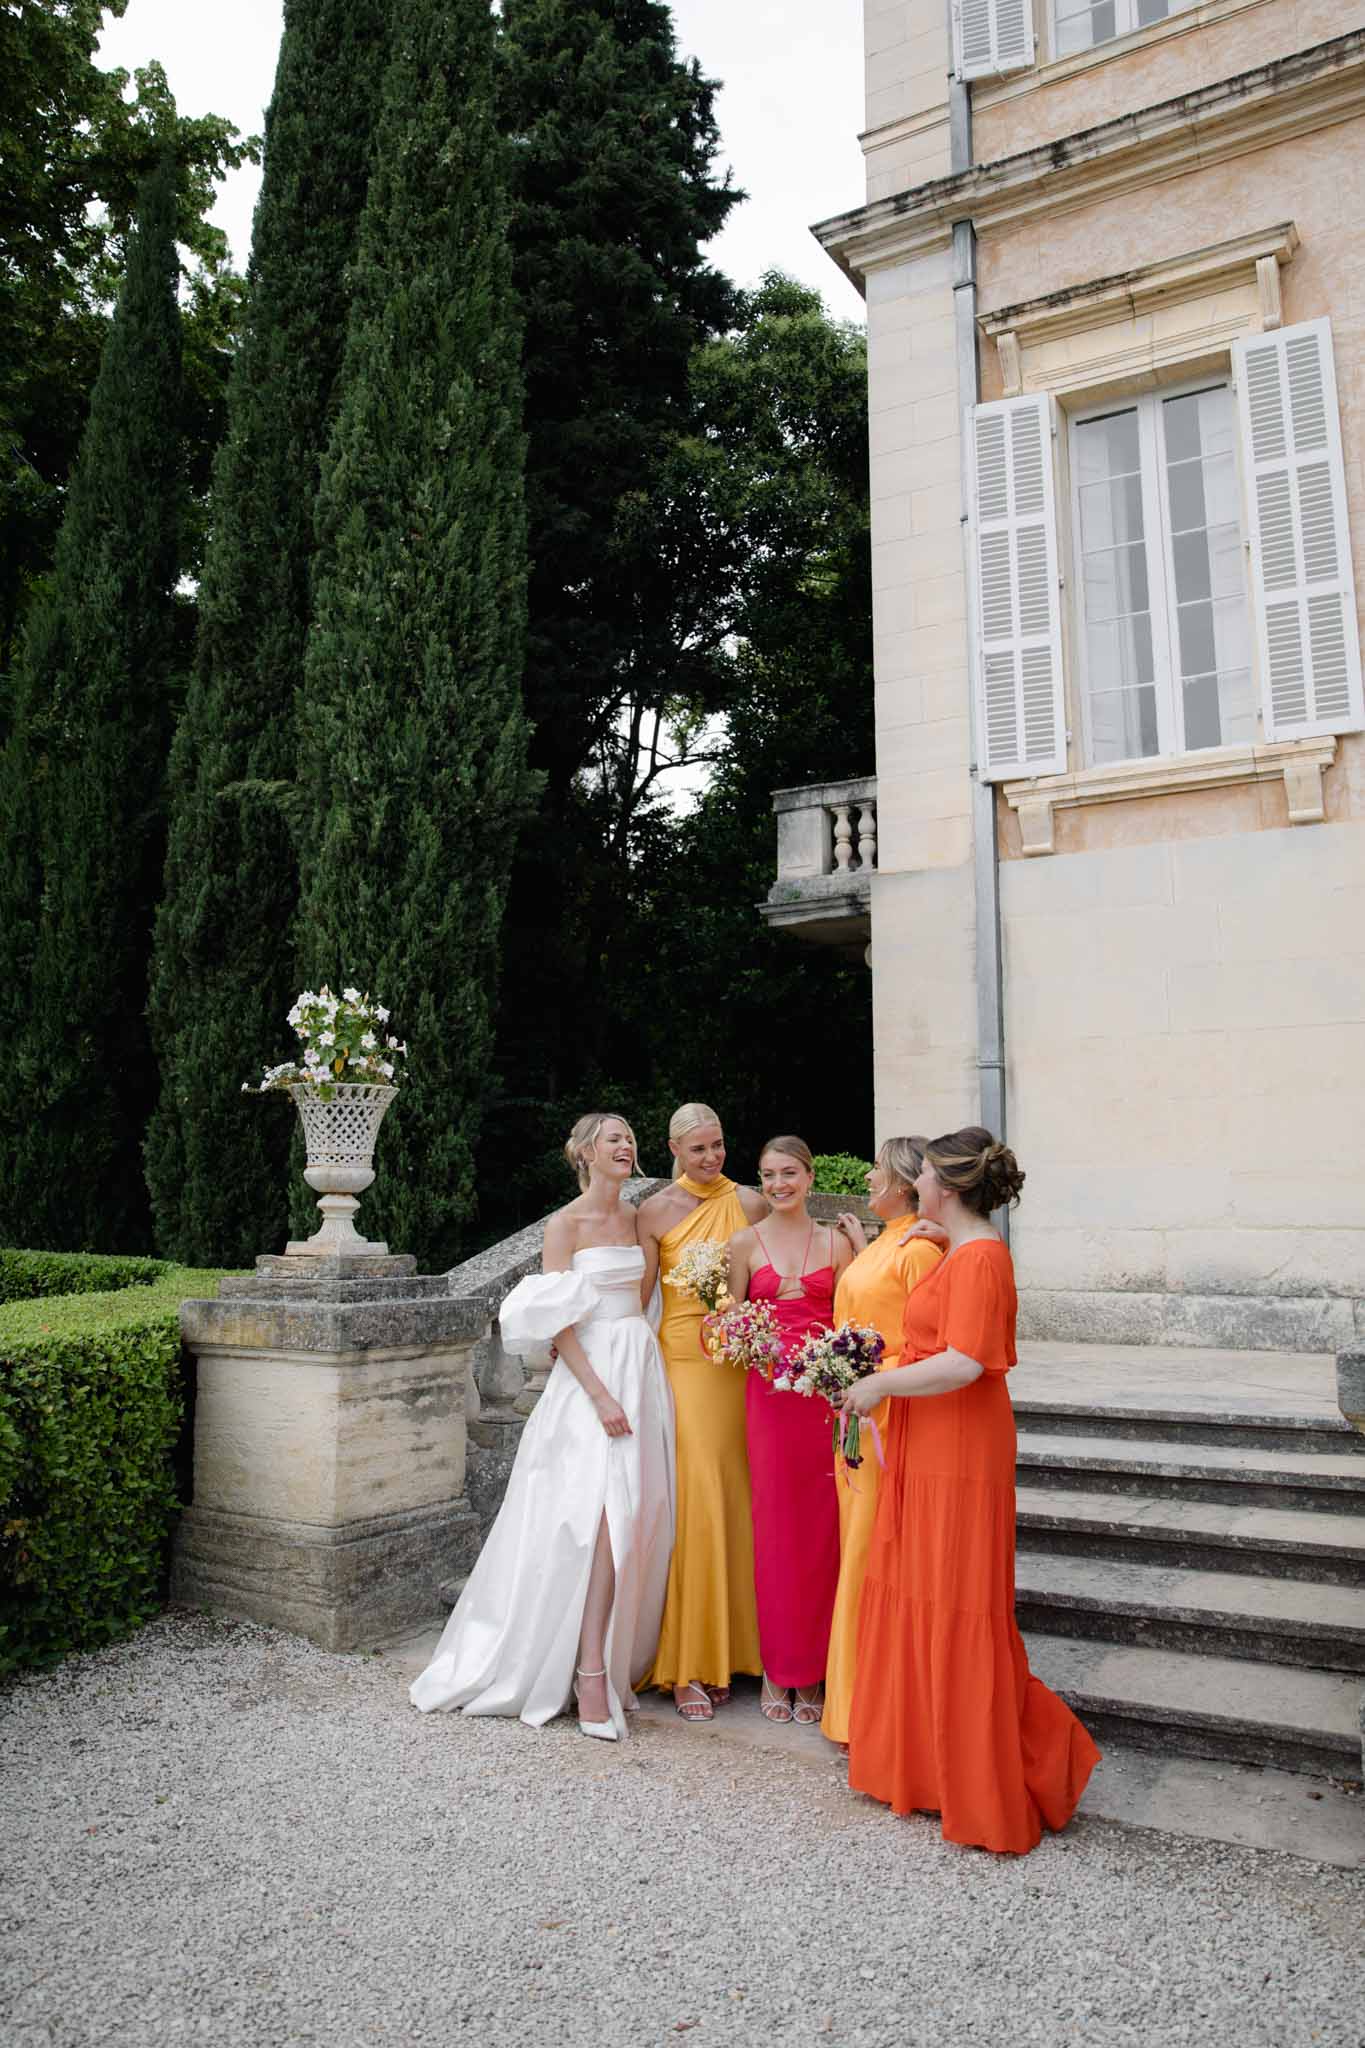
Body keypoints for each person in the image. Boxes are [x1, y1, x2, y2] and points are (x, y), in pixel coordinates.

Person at [842, 1127, 1100, 1851]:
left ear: (947, 1187)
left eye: (922, 1176)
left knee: (953, 1594)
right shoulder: (964, 1249)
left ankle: (994, 1778)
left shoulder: (982, 1258)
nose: (914, 1183)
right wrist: (937, 1237)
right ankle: (928, 1768)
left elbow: (962, 1361)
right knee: (921, 1586)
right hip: (934, 1436)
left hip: (960, 1443)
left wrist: (878, 1383)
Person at [410, 1113, 674, 1742]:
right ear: (584, 1152)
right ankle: (585, 1674)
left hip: (641, 1364)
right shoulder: (564, 1225)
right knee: (593, 1521)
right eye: (614, 1138)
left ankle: (609, 1664)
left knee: (636, 1516)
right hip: (592, 1381)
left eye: (630, 1139)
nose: (626, 1146)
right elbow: (558, 1323)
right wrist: (601, 1393)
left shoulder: (640, 1218)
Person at [636, 1104, 767, 1721]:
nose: (712, 1158)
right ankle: (691, 1658)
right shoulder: (654, 1211)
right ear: (673, 1150)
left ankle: (742, 1652)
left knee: (741, 1500)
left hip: (740, 1365)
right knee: (699, 1501)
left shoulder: (752, 1202)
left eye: (718, 1146)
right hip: (684, 1364)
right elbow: (636, 1299)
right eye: (699, 1150)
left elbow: (790, 1267)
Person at [822, 1136, 943, 1748]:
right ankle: (852, 1702)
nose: (866, 1177)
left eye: (875, 1169)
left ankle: (868, 1708)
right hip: (857, 1412)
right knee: (855, 1551)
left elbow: (923, 1340)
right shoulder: (888, 1242)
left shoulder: (920, 1250)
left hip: (889, 1415)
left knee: (871, 1552)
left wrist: (866, 1372)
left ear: (900, 1181)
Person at [728, 1135, 853, 1724]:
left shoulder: (838, 1242)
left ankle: (821, 1670)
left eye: (788, 1174)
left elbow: (856, 1322)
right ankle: (781, 1670)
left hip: (824, 1404)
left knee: (825, 1531)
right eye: (767, 1175)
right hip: (771, 1403)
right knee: (775, 1529)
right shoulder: (741, 1245)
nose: (778, 1184)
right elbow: (727, 1325)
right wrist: (741, 1336)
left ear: (808, 1176)